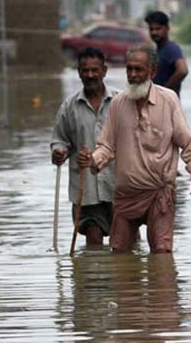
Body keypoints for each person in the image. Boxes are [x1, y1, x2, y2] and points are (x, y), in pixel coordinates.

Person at [78, 44, 191, 254]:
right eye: (129, 69)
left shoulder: (168, 100)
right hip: (126, 194)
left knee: (162, 254)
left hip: (160, 193)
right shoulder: (118, 103)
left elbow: (187, 142)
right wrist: (92, 160)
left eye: (138, 69)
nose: (133, 74)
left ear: (152, 72)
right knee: (119, 254)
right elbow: (107, 146)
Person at [51, 47, 119, 247]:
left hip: (118, 186)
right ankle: (91, 276)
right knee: (94, 240)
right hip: (86, 188)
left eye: (94, 70)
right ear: (79, 72)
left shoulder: (120, 102)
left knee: (124, 242)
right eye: (85, 70)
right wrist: (59, 152)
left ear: (104, 71)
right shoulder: (69, 106)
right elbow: (59, 139)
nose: (90, 75)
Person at [144, 11, 188, 97]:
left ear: (167, 28)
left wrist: (163, 92)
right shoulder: (158, 50)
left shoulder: (171, 48)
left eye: (158, 29)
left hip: (168, 103)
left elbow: (183, 70)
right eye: (151, 29)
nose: (154, 32)